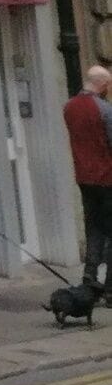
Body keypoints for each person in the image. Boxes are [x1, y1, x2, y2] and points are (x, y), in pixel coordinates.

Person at [62, 61, 112, 292]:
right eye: (108, 84)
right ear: (102, 84)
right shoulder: (104, 109)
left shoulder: (69, 107)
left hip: (84, 177)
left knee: (93, 227)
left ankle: (89, 277)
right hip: (106, 177)